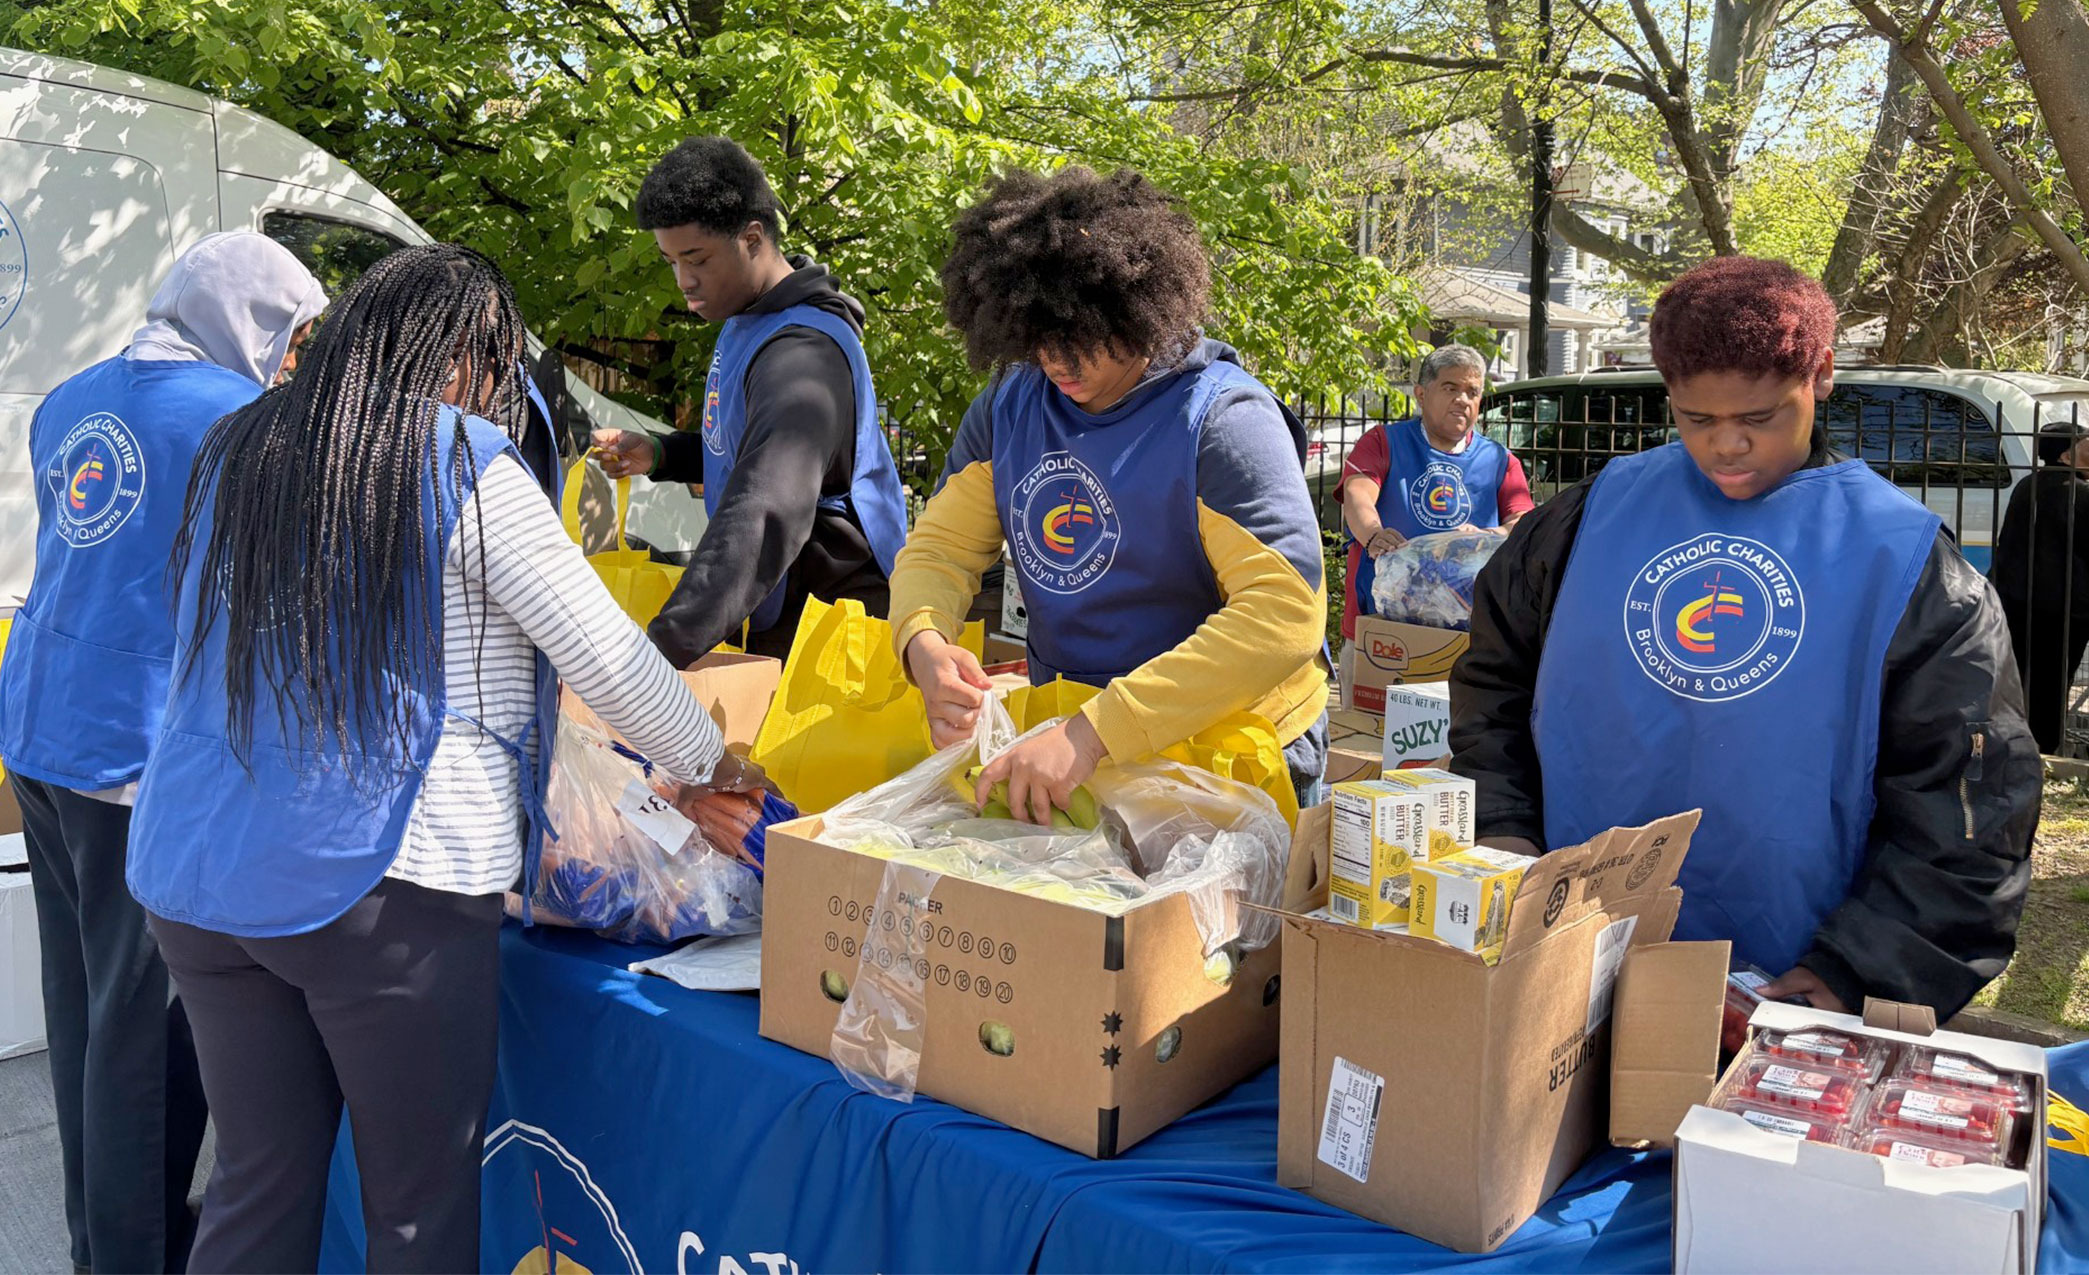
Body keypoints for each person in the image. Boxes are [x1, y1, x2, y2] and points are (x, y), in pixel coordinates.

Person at [122, 245, 740, 1273]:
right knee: (417, 1206)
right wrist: (712, 762)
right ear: (461, 361)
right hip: (380, 882)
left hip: (196, 868)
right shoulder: (464, 462)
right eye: (497, 370)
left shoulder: (240, 444)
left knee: (258, 1180)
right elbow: (611, 660)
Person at [1449, 255, 2039, 1018]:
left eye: (1757, 418)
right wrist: (1501, 826)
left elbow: (1969, 796)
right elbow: (1493, 683)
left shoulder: (1903, 560)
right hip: (1571, 952)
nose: (1726, 445)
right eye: (1697, 418)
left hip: (1791, 983)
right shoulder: (1585, 519)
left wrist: (1859, 966)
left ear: (1820, 375)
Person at [0, 231, 325, 1275]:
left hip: (40, 729)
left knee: (83, 1007)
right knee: (141, 1027)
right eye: (286, 334)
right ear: (250, 319)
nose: (287, 359)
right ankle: (132, 1257)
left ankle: (101, 1235)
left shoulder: (69, 396)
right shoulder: (239, 425)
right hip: (132, 755)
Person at [894, 166, 1329, 819]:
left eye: (1078, 340)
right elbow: (938, 553)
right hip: (1072, 742)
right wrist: (924, 646)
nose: (1056, 365)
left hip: (1234, 749)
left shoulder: (1223, 419)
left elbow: (1284, 615)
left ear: (1138, 308)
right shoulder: (1010, 406)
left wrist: (1097, 730)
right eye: (1037, 343)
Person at [590, 135, 910, 663]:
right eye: (670, 261)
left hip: (828, 627)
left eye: (696, 259)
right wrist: (664, 454)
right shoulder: (750, 318)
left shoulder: (804, 353)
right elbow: (744, 444)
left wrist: (655, 655)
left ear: (753, 238)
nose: (683, 281)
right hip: (780, 607)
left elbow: (764, 510)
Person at [1336, 343, 1532, 642]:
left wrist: (1489, 535)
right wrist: (1374, 534)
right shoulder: (1383, 442)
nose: (1463, 400)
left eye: (1473, 392)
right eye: (1450, 388)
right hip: (1381, 622)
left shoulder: (1500, 460)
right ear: (1421, 394)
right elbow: (1357, 495)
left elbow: (1524, 523)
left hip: (1469, 628)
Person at [1990, 420, 2089, 754]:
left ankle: (2018, 744)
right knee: (2054, 683)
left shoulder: (2027, 485)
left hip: (2018, 601)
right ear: (2065, 454)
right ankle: (2043, 749)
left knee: (2023, 678)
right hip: (2064, 608)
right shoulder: (2078, 493)